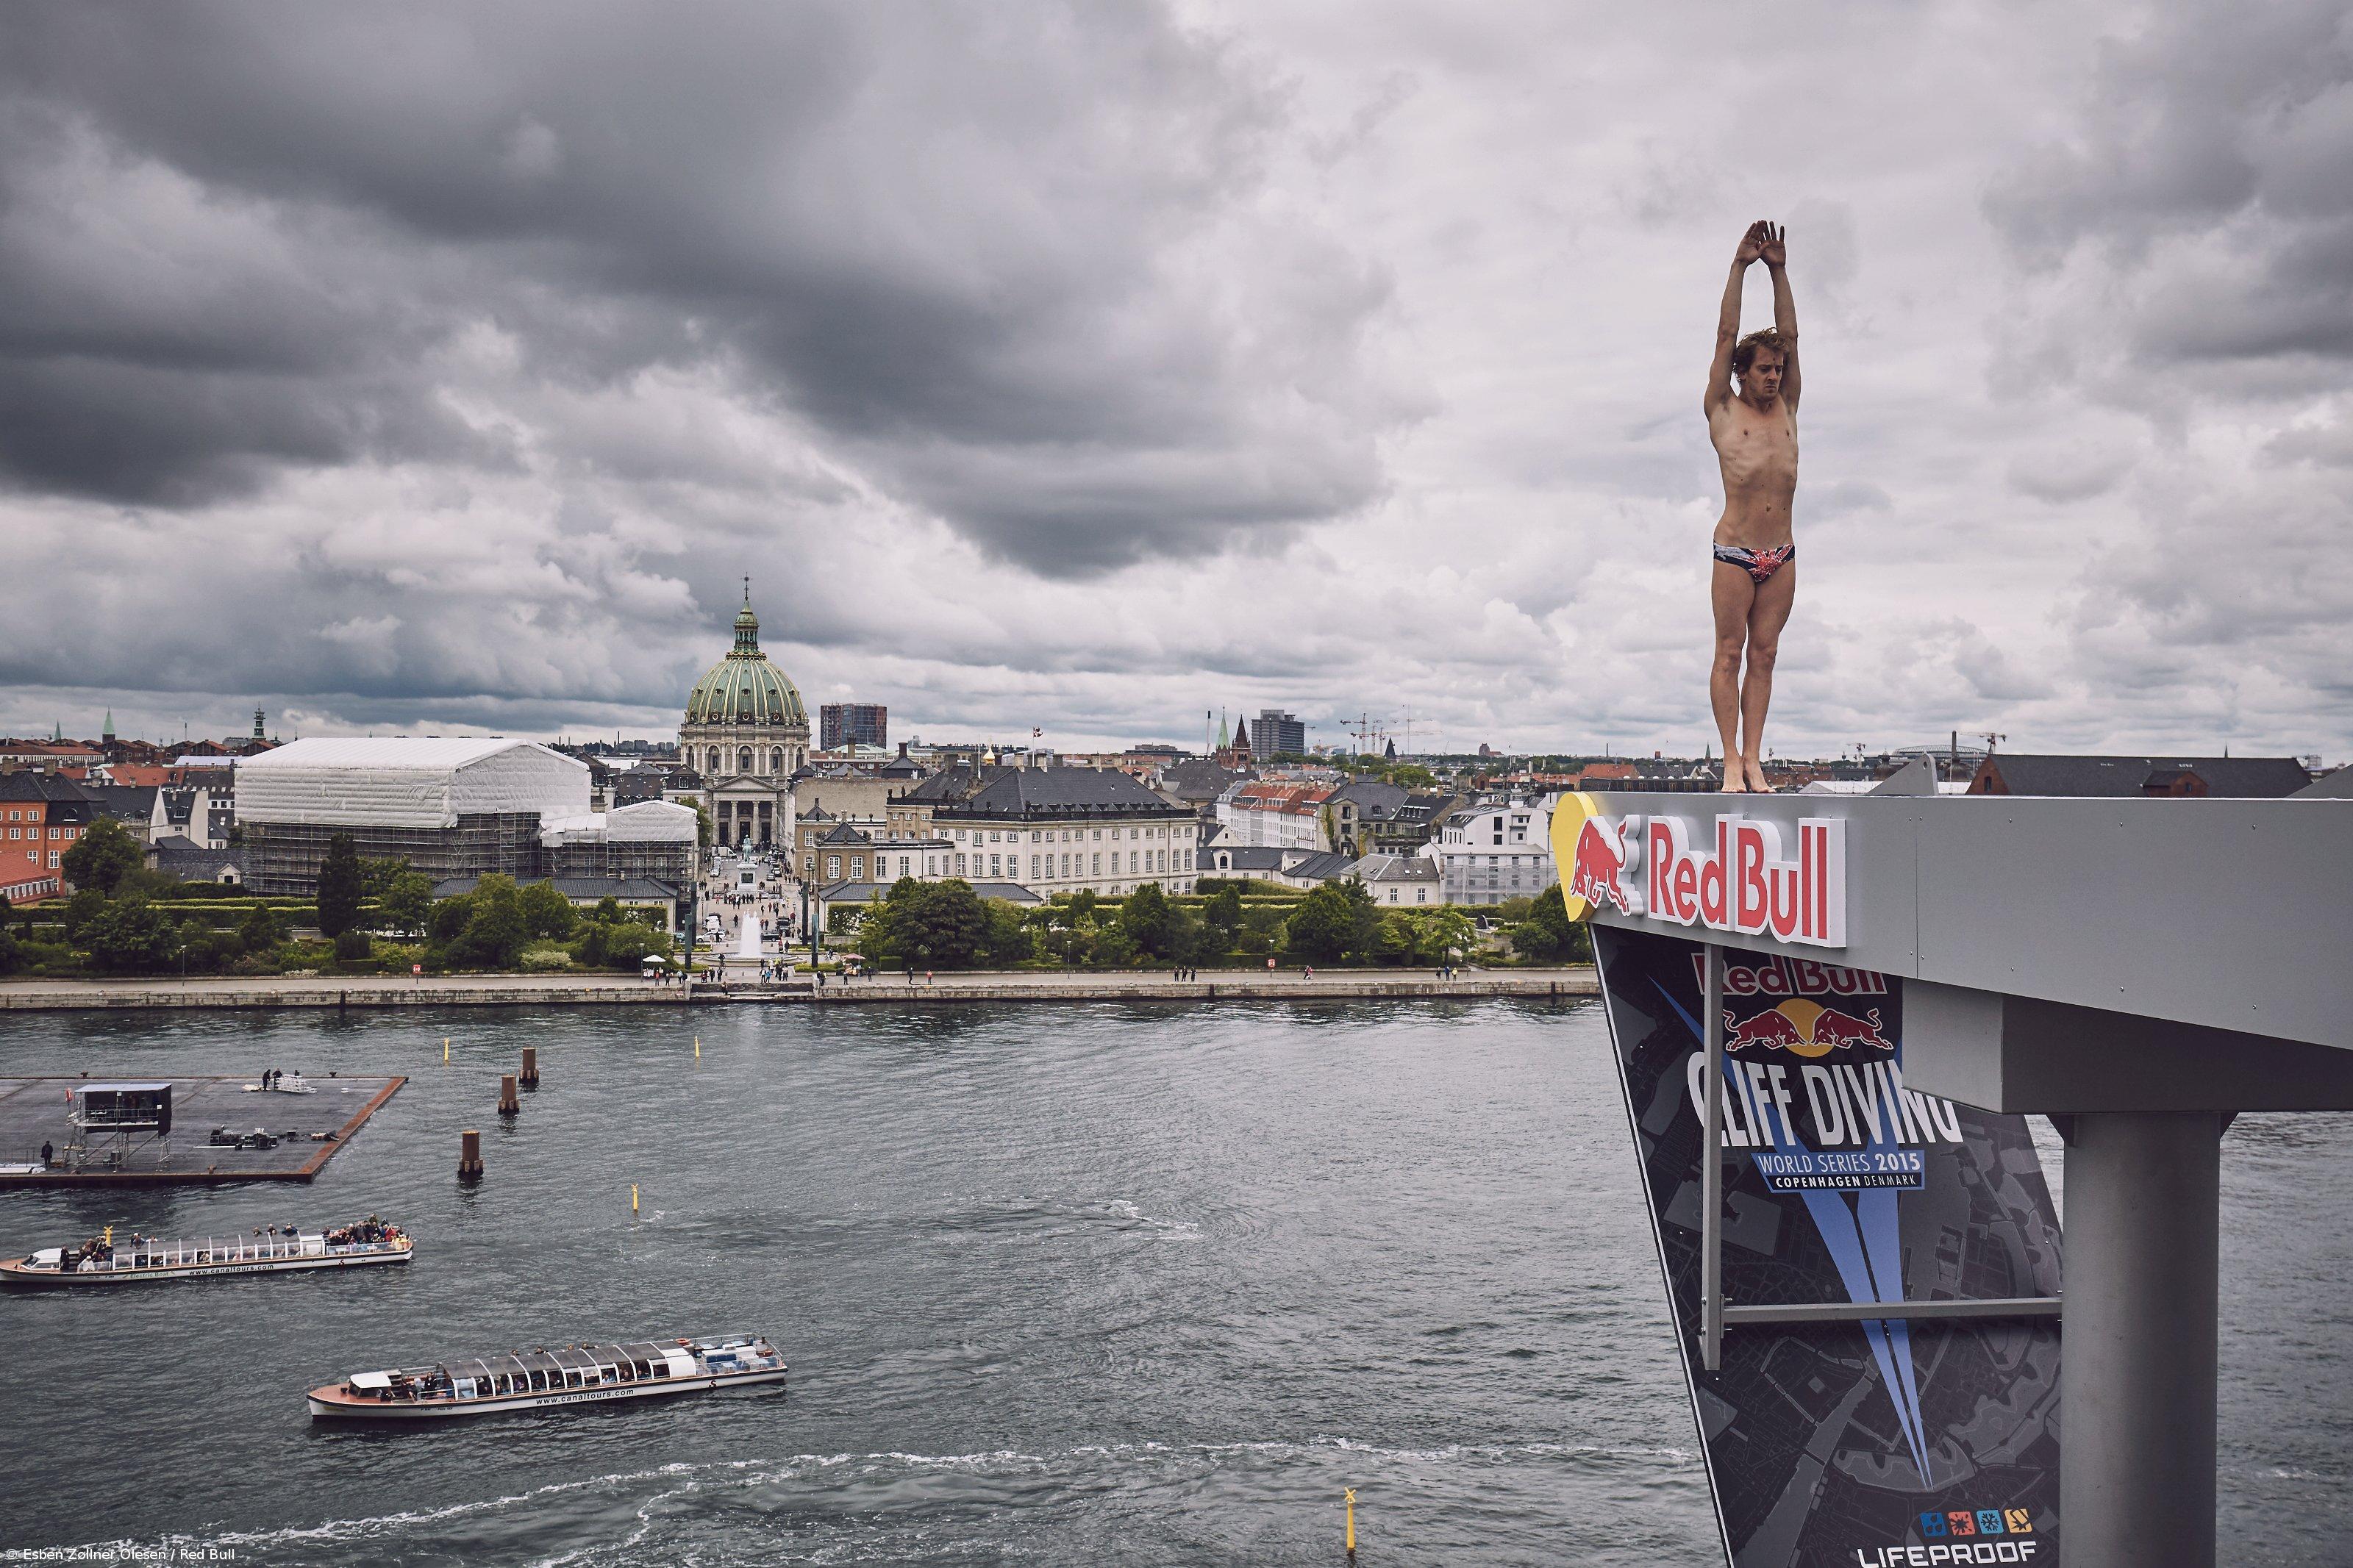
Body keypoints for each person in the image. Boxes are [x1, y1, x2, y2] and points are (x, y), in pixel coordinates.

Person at [1704, 219, 1802, 793]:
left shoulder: (1787, 407)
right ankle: (1729, 759)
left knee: (1764, 656)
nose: (1774, 376)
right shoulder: (1723, 409)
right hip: (1735, 551)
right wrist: (1741, 266)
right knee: (1729, 652)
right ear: (1743, 373)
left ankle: (1755, 756)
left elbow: (1792, 334)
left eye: (1778, 369)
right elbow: (1724, 334)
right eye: (1764, 369)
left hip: (1781, 554)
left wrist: (1780, 270)